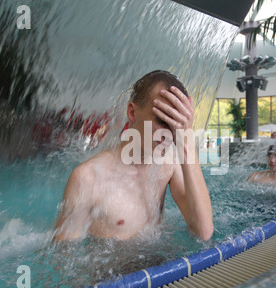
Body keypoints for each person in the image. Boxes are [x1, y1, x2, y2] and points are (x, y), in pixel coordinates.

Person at [53, 70, 213, 242]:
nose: (169, 134)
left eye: (177, 125)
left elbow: (203, 232)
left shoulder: (170, 163)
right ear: (132, 112)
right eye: (161, 121)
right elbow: (63, 259)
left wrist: (186, 140)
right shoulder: (88, 178)